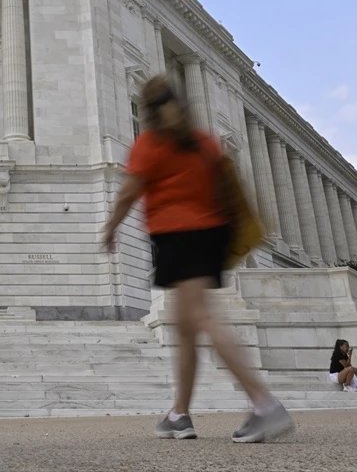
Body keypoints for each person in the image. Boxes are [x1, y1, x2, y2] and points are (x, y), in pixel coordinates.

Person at [102, 75, 295, 444]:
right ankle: (179, 414)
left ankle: (264, 404)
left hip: (177, 237)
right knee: (186, 326)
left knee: (203, 318)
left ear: (147, 111)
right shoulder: (205, 142)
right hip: (211, 237)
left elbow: (128, 192)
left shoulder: (151, 143)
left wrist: (110, 227)